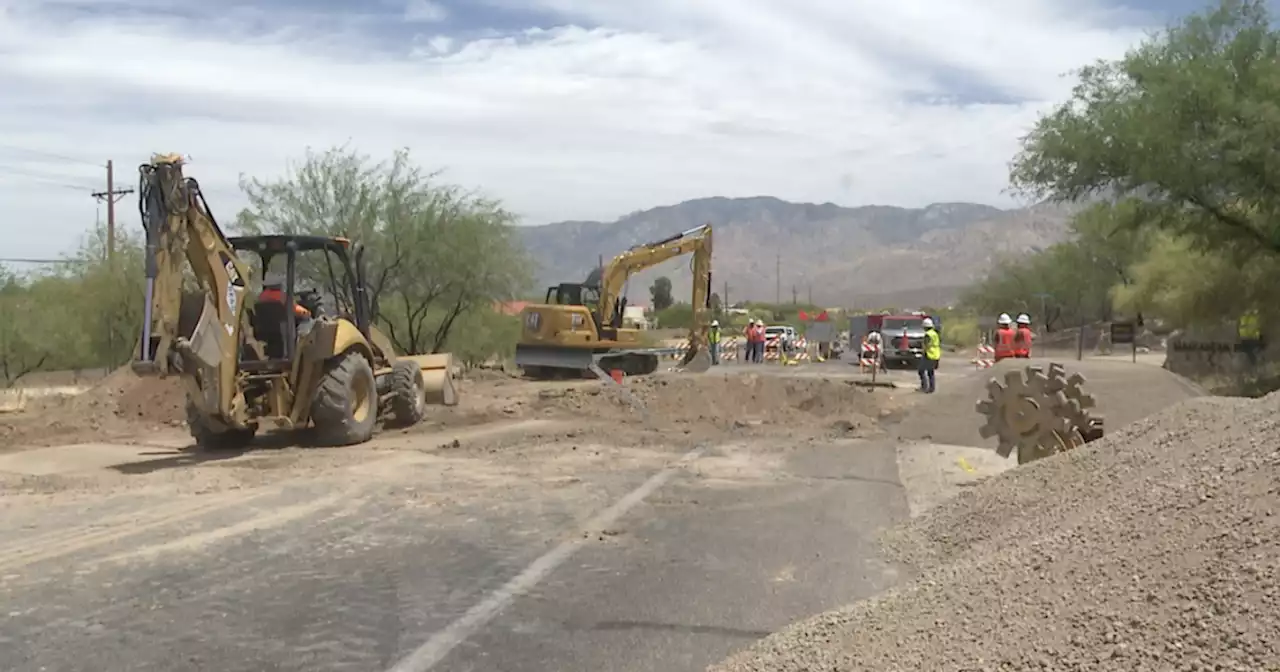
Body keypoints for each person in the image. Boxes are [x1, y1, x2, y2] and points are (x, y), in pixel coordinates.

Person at [918, 317, 941, 393]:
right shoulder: (935, 333)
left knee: (921, 370)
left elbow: (926, 345)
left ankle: (924, 386)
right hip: (936, 354)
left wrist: (922, 352)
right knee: (930, 372)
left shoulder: (928, 334)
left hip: (929, 354)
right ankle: (931, 388)